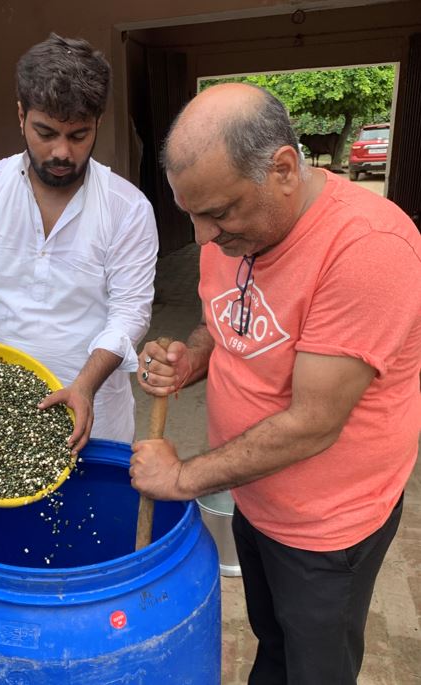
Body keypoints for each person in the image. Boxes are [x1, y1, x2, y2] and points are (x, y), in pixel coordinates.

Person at [130, 83, 421, 685]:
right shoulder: (231, 231)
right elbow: (222, 323)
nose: (205, 236)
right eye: (192, 212)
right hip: (254, 499)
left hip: (327, 529)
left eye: (219, 213)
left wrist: (182, 477)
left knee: (317, 667)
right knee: (274, 644)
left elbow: (313, 423)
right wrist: (194, 358)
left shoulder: (368, 249)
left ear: (284, 168)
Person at [0, 33, 158, 454]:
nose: (62, 152)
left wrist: (84, 385)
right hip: (5, 405)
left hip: (95, 410)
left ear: (97, 123)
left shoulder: (127, 208)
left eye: (78, 136)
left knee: (92, 515)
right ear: (21, 115)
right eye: (46, 132)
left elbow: (129, 313)